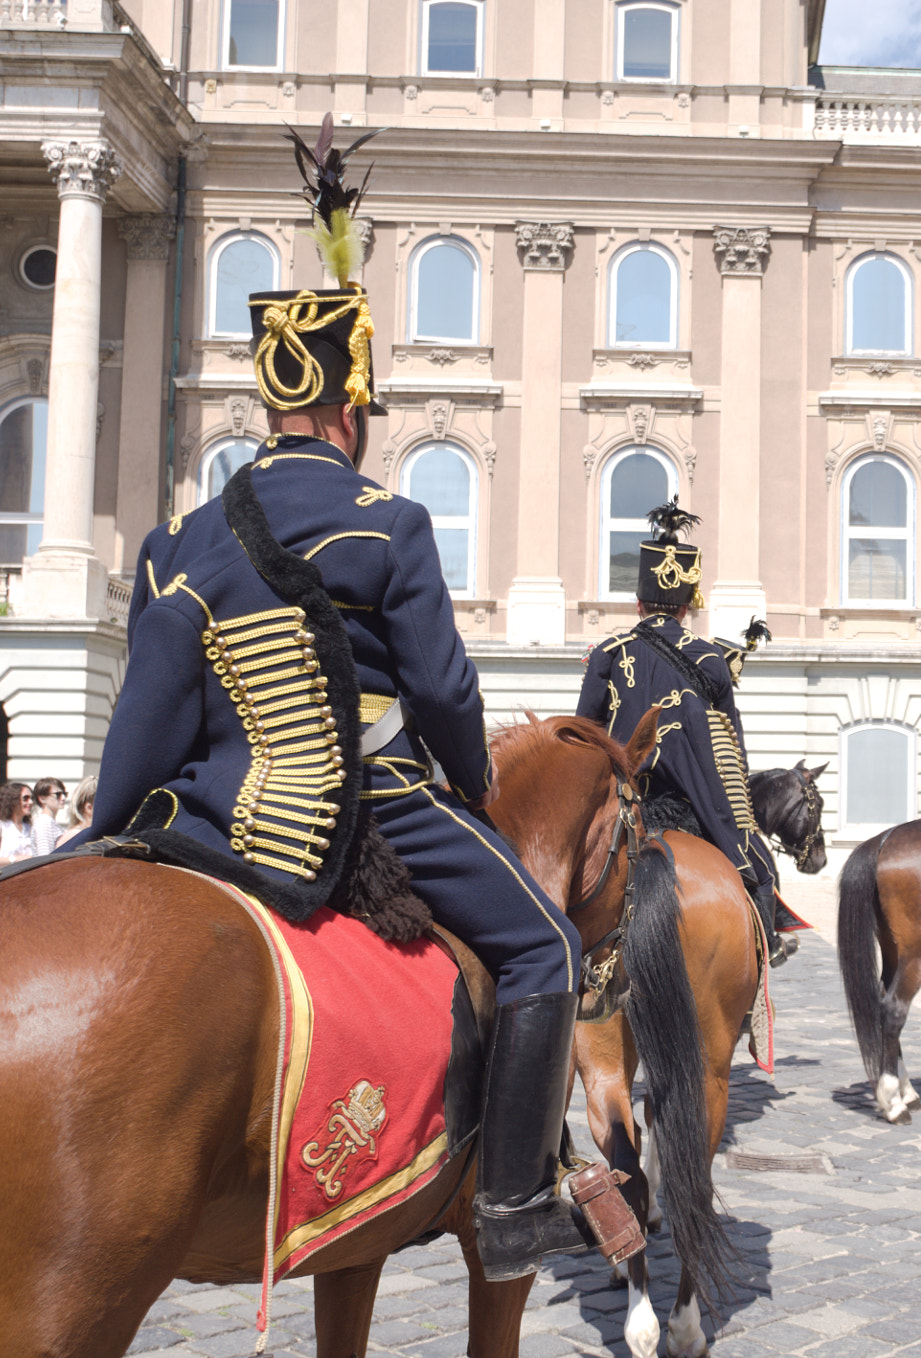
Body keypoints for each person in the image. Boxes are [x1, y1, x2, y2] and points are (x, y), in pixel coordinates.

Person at [71, 113, 622, 1284]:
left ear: (268, 406)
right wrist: (472, 783)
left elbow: (148, 719)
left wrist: (102, 826)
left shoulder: (178, 540)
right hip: (370, 805)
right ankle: (516, 1199)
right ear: (350, 409)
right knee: (540, 952)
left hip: (209, 812)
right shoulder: (387, 523)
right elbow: (437, 687)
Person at [574, 500, 800, 965]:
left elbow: (584, 738)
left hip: (624, 802)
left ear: (638, 602)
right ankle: (767, 942)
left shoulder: (609, 654)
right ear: (686, 607)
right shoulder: (710, 660)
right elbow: (731, 750)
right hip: (698, 806)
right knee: (756, 869)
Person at [29, 776, 68, 854]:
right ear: (42, 799)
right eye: (58, 794)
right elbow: (44, 857)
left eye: (64, 794)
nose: (63, 798)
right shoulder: (44, 823)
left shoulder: (49, 821)